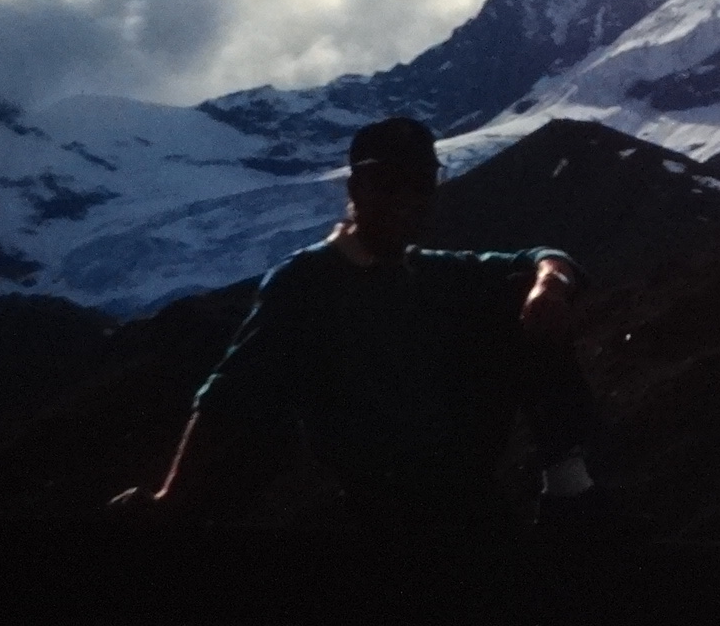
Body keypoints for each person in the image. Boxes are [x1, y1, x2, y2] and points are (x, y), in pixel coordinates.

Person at [114, 114, 606, 540]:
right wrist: (170, 498)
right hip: (386, 498)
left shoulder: (433, 271)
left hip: (465, 485)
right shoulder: (306, 282)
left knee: (519, 287)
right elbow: (226, 398)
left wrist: (548, 285)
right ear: (356, 190)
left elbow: (546, 259)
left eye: (420, 183)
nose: (407, 199)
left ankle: (567, 482)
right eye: (389, 184)